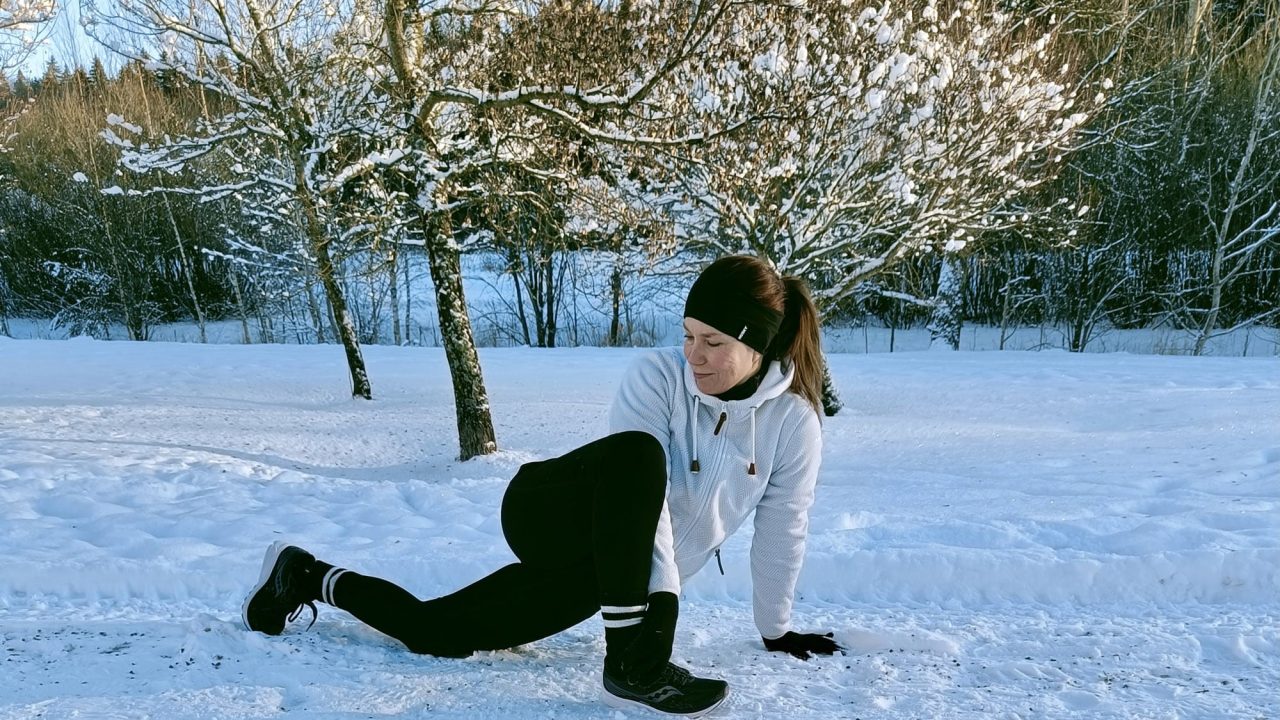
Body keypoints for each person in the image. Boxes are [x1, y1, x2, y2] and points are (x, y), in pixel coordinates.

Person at [241, 255, 841, 717]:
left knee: (437, 633)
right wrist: (649, 639)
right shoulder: (656, 378)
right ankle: (630, 666)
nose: (694, 356)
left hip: (611, 572)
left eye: (714, 343)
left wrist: (776, 629)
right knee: (639, 455)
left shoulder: (792, 426)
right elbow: (643, 503)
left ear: (759, 346)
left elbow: (783, 527)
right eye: (687, 335)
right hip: (548, 511)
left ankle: (304, 574)